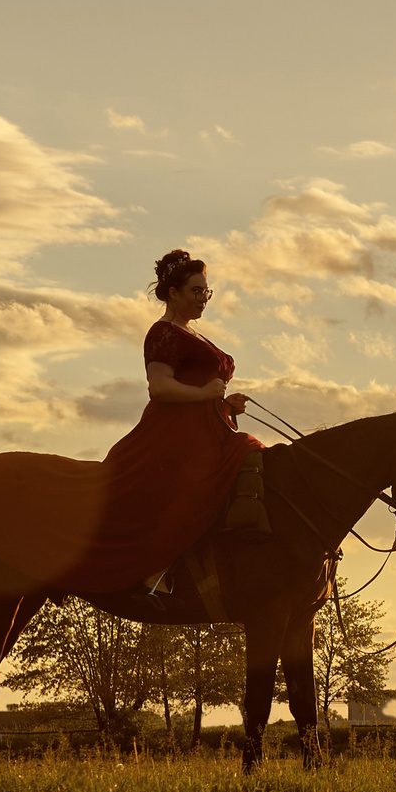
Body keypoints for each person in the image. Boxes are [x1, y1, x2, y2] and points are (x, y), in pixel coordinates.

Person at [87, 250, 267, 589]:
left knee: (251, 458)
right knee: (241, 455)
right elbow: (159, 386)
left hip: (206, 426)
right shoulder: (164, 333)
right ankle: (161, 568)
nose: (204, 299)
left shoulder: (192, 333)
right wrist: (205, 394)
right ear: (174, 293)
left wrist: (225, 404)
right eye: (196, 291)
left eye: (206, 291)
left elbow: (198, 387)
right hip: (176, 433)